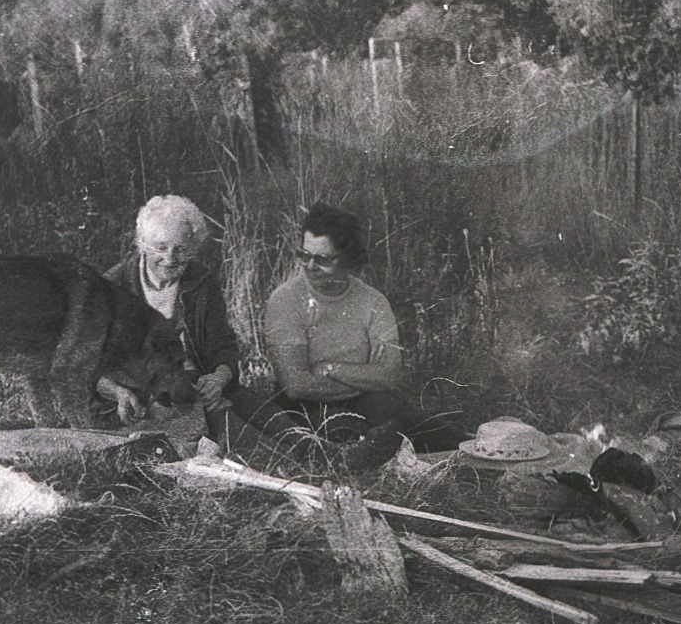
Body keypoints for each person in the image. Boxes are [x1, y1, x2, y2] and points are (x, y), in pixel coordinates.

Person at [232, 202, 466, 463]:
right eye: (303, 255)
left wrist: (329, 367)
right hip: (306, 408)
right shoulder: (286, 300)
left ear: (348, 259)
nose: (309, 266)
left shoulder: (372, 301)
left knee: (441, 435)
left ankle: (478, 452)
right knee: (351, 432)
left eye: (322, 259)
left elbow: (389, 375)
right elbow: (296, 385)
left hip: (371, 401)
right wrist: (364, 375)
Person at [98, 195, 244, 441]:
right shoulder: (113, 286)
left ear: (194, 246)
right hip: (132, 398)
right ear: (143, 244)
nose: (170, 258)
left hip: (195, 390)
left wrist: (218, 378)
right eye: (161, 247)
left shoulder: (203, 282)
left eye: (181, 248)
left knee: (269, 427)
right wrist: (117, 393)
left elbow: (223, 346)